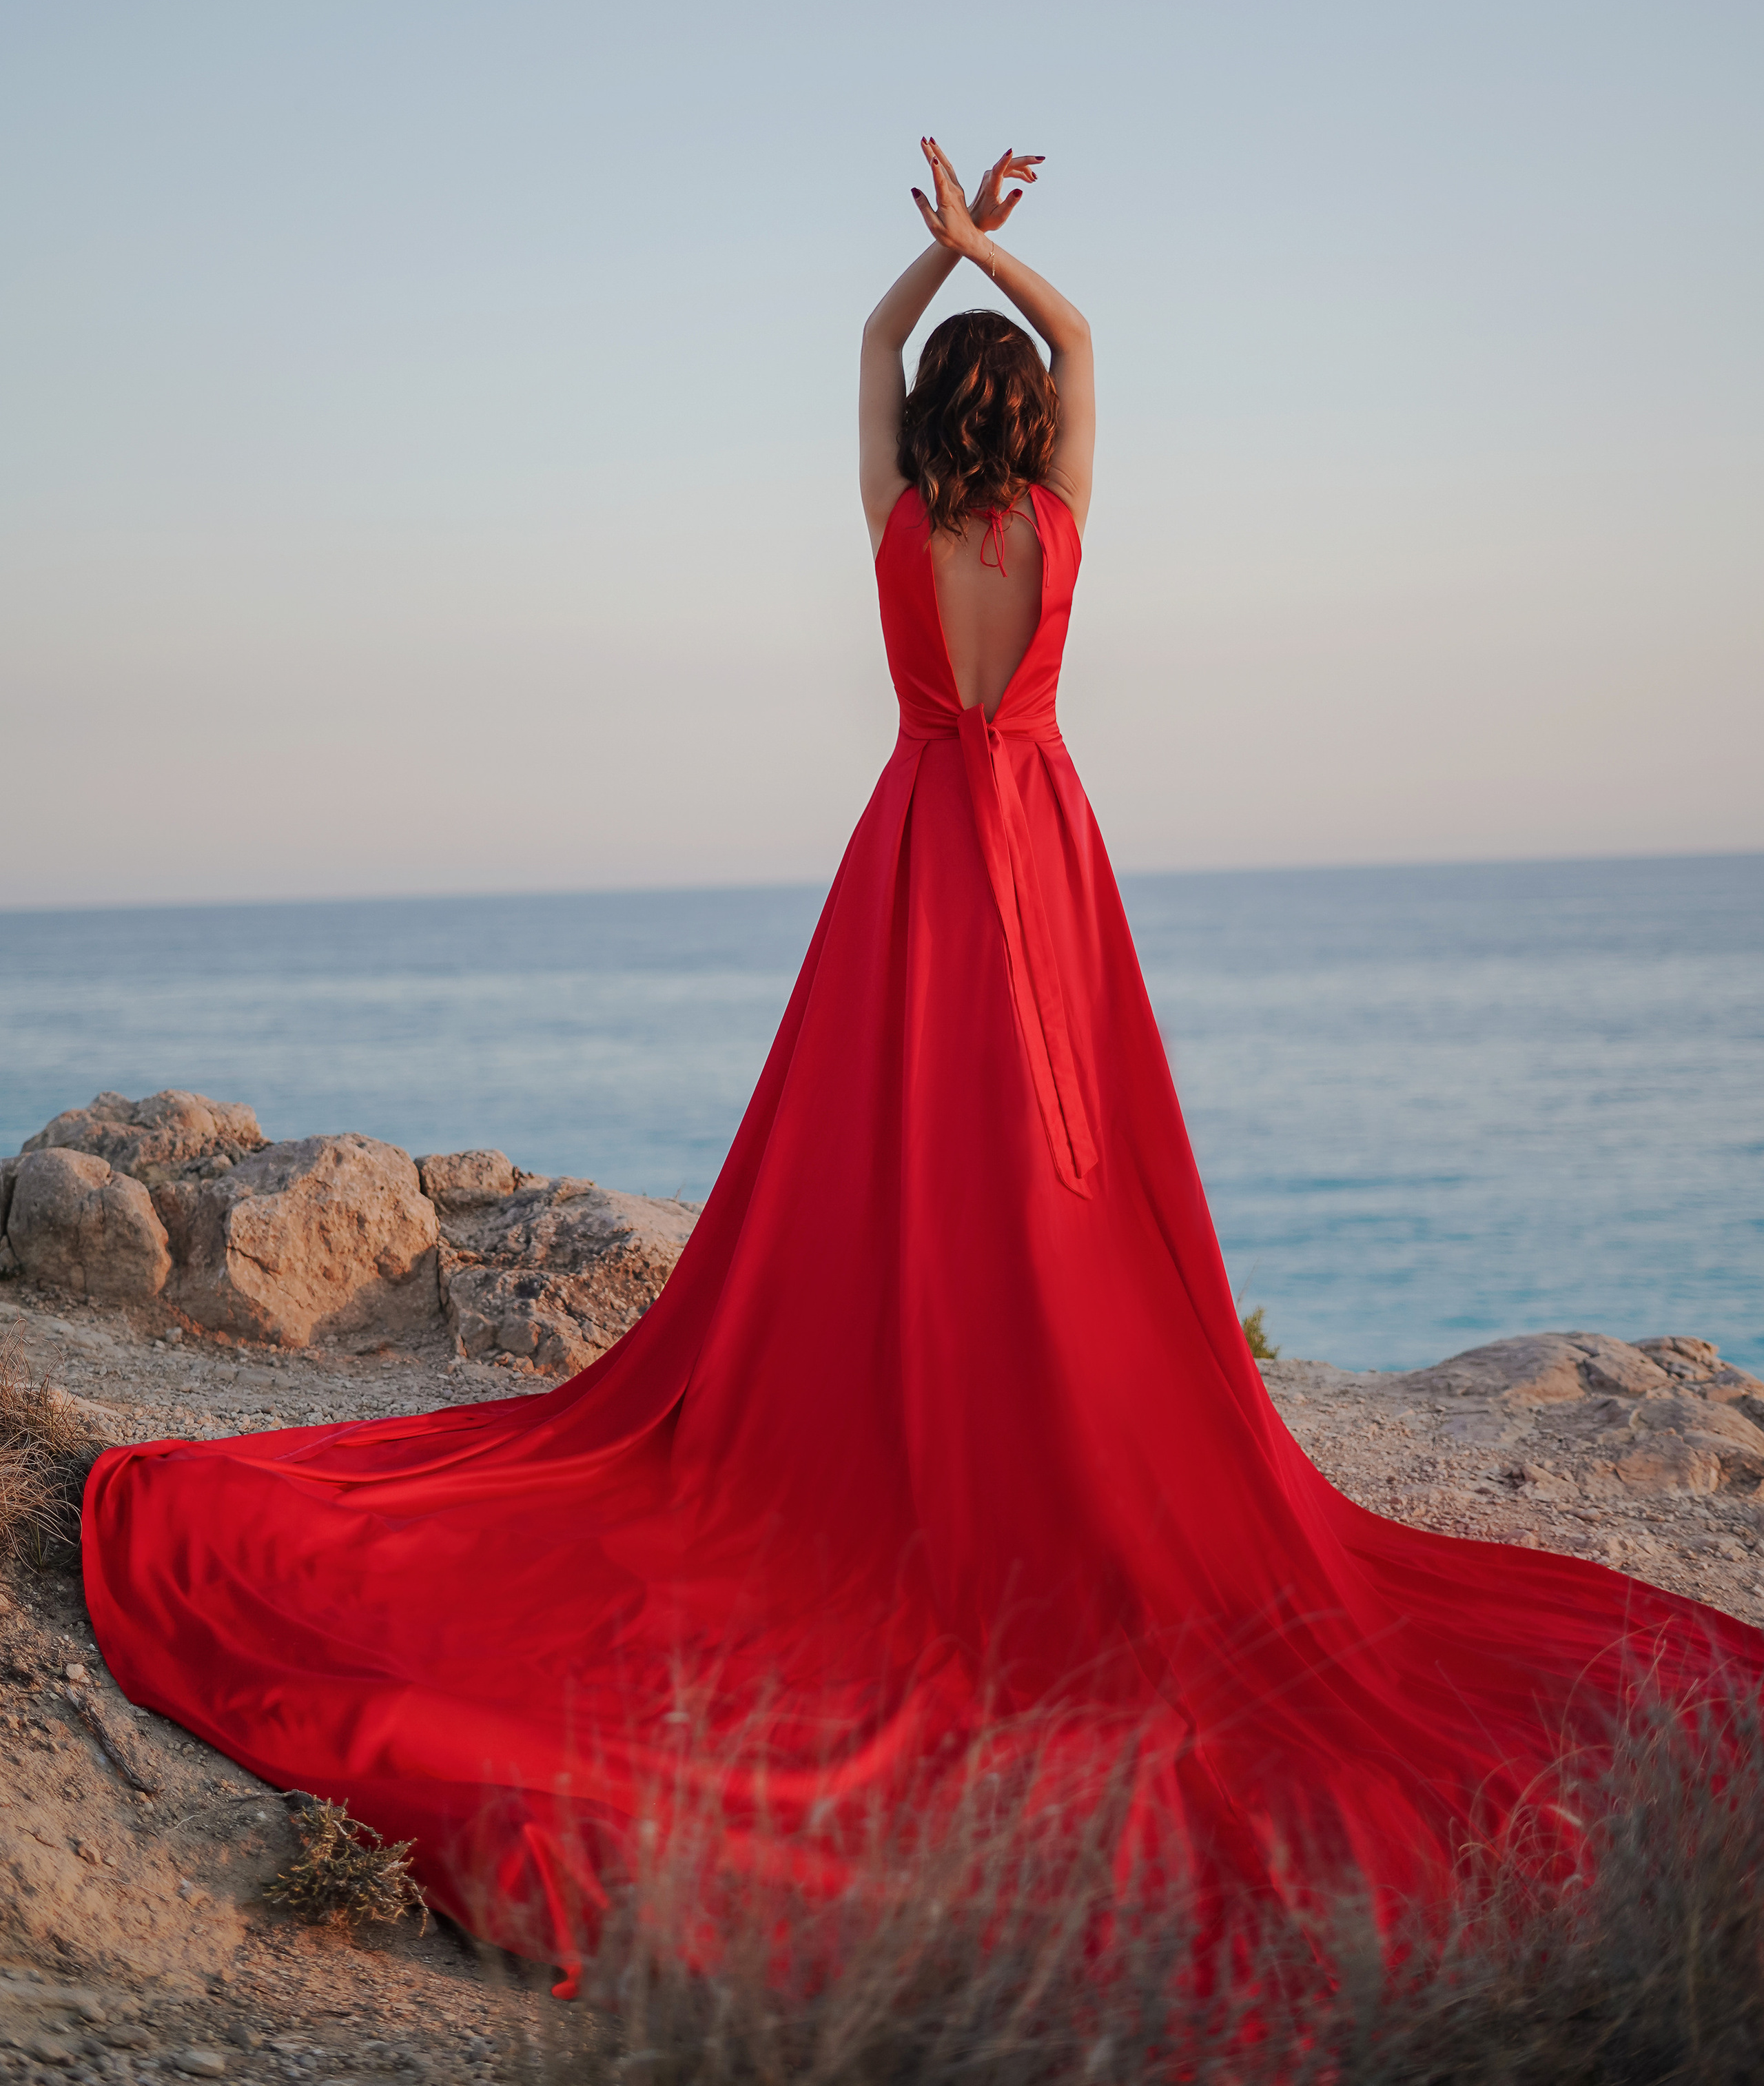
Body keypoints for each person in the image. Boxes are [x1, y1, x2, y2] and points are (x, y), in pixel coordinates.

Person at [83, 140, 1761, 1991]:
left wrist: (930, 262)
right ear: (1030, 419)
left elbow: (873, 356)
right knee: (1048, 1164)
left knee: (891, 1149)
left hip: (914, 850)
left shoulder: (899, 526)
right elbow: (1089, 335)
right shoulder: (1057, 529)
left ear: (935, 418)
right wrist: (999, 259)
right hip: (1037, 846)